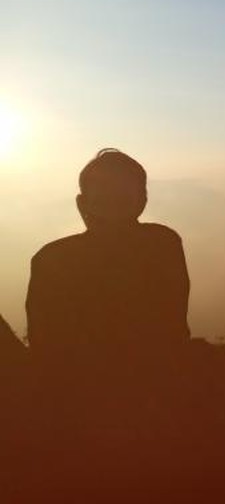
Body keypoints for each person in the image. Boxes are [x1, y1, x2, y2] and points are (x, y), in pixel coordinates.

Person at [26, 149, 190, 381]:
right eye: (104, 199)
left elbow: (171, 328)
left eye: (121, 200)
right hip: (128, 383)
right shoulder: (162, 243)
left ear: (142, 202)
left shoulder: (52, 259)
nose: (113, 211)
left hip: (106, 385)